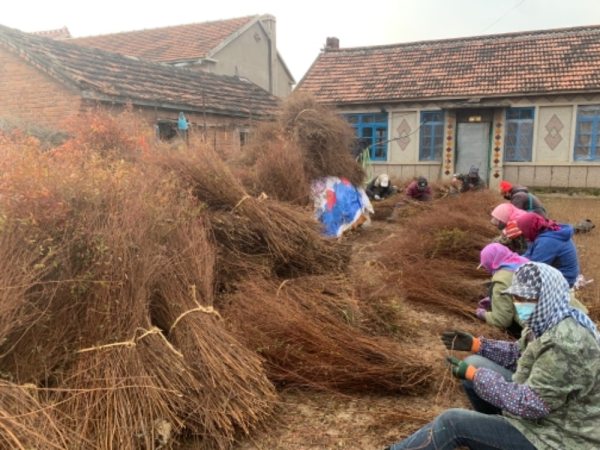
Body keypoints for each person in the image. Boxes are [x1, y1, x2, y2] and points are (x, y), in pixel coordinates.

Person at [386, 262, 600, 450]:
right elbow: (518, 355)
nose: (518, 303)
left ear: (547, 296)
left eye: (525, 298)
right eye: (516, 297)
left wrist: (475, 375)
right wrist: (477, 345)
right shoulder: (545, 321)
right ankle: (493, 435)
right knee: (474, 362)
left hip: (560, 437)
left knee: (452, 423)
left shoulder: (565, 343)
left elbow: (531, 404)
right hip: (545, 415)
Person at [475, 243, 529, 336]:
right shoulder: (524, 261)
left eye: (485, 265)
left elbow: (502, 320)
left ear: (490, 262)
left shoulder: (501, 281)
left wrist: (483, 314)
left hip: (537, 329)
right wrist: (495, 299)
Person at [515, 212, 580, 287]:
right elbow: (529, 254)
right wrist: (514, 260)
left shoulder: (547, 241)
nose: (522, 233)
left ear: (528, 228)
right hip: (557, 274)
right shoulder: (544, 231)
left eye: (523, 230)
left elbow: (535, 268)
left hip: (565, 280)